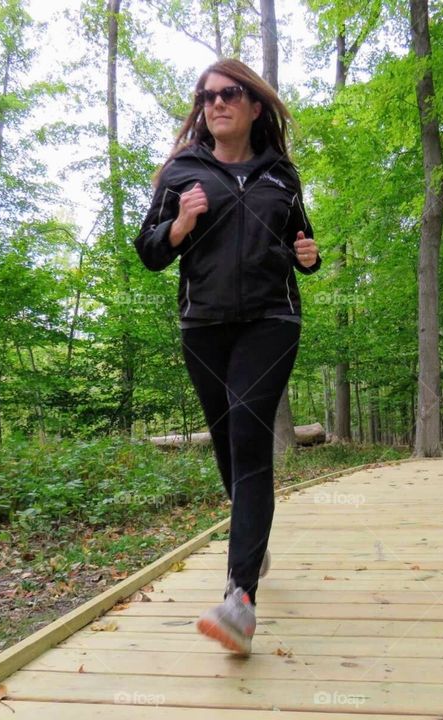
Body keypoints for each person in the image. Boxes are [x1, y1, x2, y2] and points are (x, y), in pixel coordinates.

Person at [133, 58, 321, 656]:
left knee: (248, 431)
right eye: (207, 96)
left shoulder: (282, 176)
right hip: (204, 324)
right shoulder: (180, 172)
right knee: (225, 439)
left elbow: (300, 244)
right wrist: (181, 224)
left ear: (254, 105)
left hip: (271, 321)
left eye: (230, 93)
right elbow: (149, 252)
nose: (217, 103)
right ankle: (253, 539)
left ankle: (240, 599)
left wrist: (309, 257)